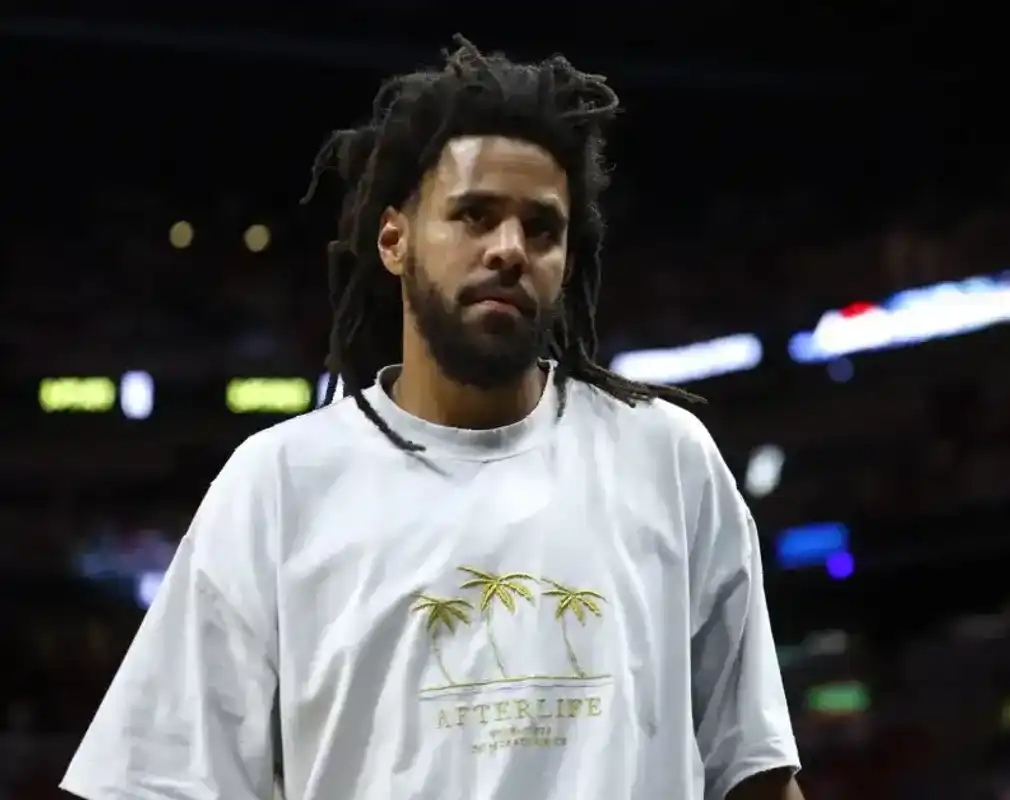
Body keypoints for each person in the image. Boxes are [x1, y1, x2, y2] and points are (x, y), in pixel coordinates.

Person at [61, 37, 802, 800]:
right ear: (395, 239)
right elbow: (154, 782)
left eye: (542, 229)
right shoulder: (278, 484)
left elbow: (757, 773)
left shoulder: (667, 457)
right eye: (474, 215)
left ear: (567, 262)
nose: (509, 249)